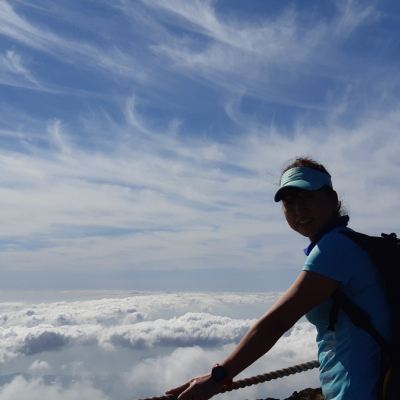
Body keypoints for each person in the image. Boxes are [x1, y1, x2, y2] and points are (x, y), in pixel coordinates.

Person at [166, 157, 392, 400]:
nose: (299, 209)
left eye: (308, 197)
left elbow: (275, 323)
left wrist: (217, 378)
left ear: (332, 199)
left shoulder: (334, 248)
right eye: (289, 202)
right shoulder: (351, 243)